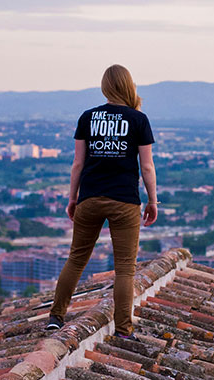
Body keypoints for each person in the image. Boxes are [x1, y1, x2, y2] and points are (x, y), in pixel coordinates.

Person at [46, 64, 158, 340]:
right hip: (124, 200)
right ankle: (123, 330)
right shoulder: (138, 119)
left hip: (90, 198)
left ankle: (56, 317)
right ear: (128, 86)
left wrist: (73, 198)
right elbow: (147, 166)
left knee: (76, 259)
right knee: (125, 269)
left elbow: (78, 164)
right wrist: (153, 200)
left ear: (105, 86)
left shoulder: (88, 117)